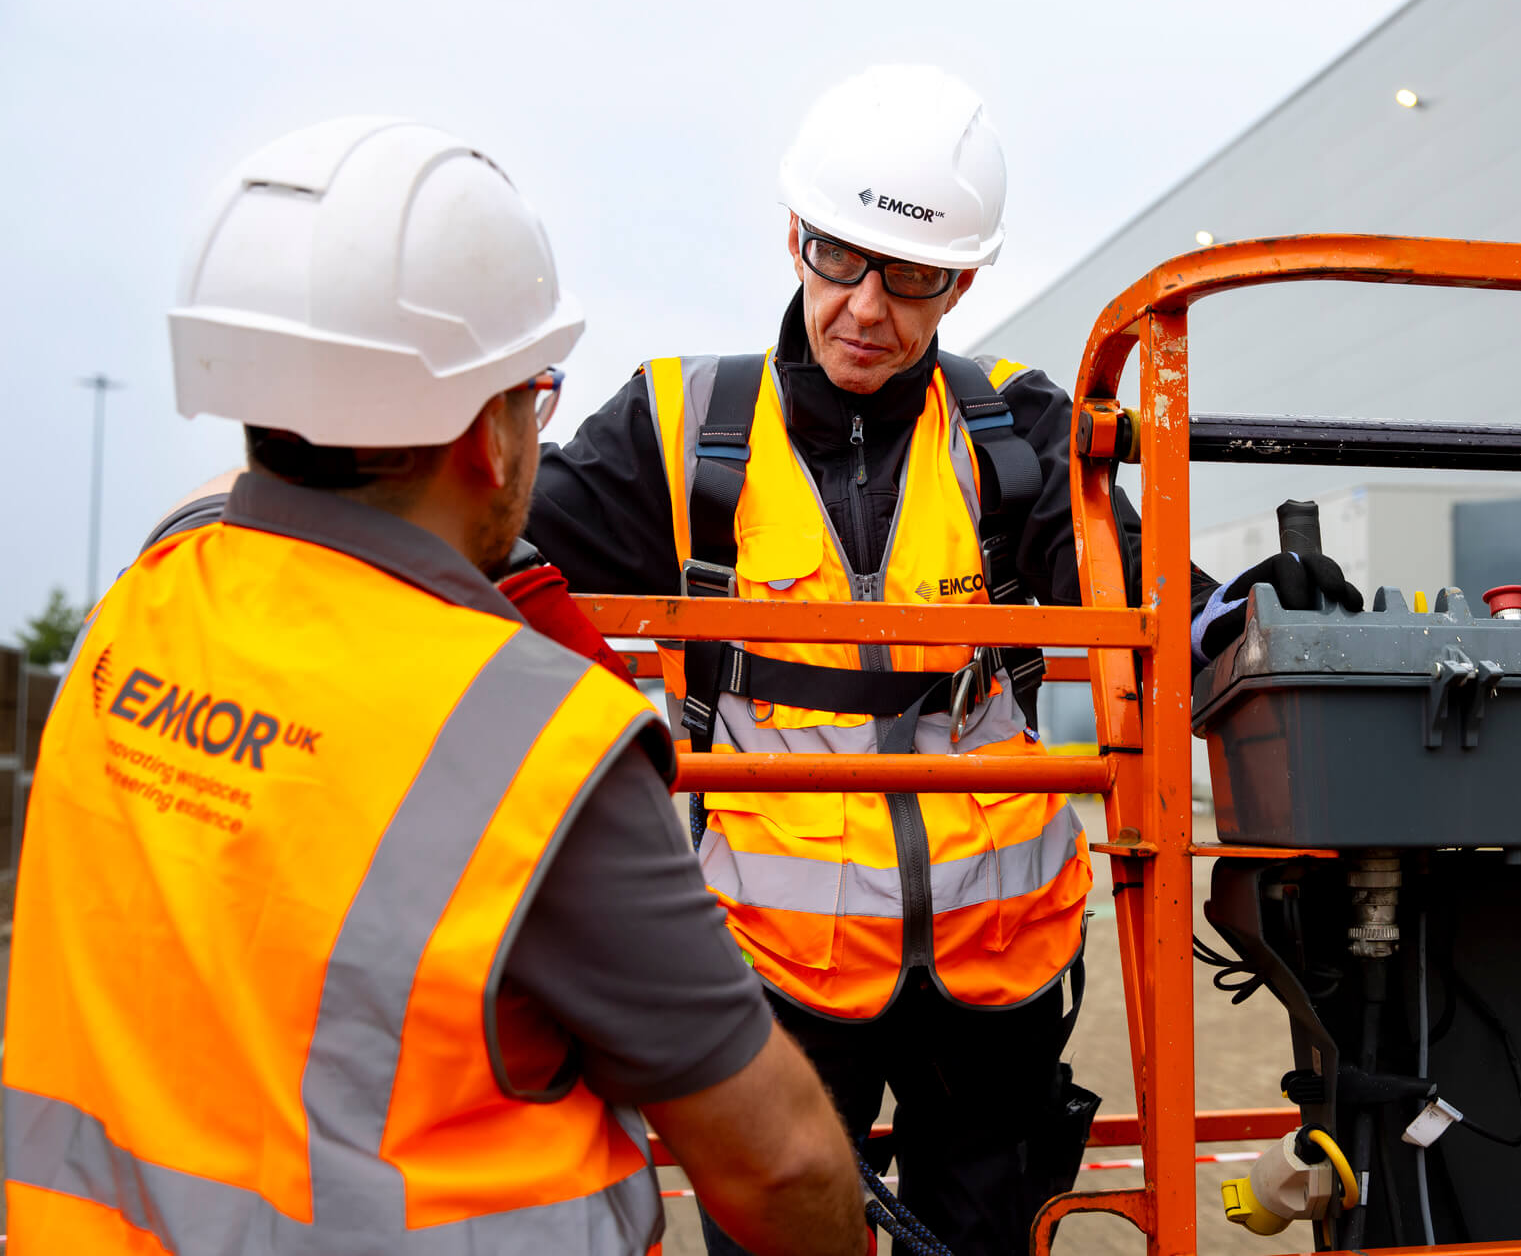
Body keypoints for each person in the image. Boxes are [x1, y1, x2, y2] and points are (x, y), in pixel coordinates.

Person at [523, 66, 1362, 1256]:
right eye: (838, 258)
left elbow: (1135, 590)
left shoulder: (1009, 437)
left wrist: (1246, 614)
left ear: (960, 281)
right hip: (773, 965)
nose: (866, 307)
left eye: (910, 277)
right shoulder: (676, 431)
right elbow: (487, 543)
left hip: (995, 965)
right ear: (794, 238)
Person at [1, 117, 866, 1256]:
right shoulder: (538, 745)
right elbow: (786, 1164)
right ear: (493, 439)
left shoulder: (142, 611)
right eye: (533, 393)